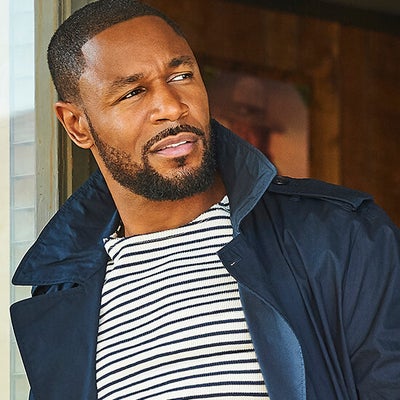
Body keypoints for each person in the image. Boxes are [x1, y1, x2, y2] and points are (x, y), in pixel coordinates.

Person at [10, 1, 400, 399]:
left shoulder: (340, 236)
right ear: (77, 124)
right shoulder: (61, 311)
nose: (172, 106)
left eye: (181, 76)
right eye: (133, 92)